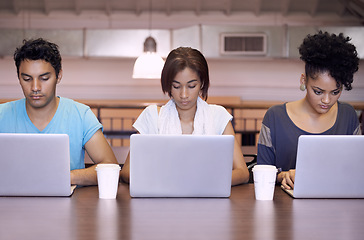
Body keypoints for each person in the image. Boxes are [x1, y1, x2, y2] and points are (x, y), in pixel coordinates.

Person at [120, 47, 250, 186]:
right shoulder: (151, 117)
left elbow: (242, 172)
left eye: (191, 86)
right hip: (160, 200)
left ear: (202, 84)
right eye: (176, 86)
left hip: (209, 199)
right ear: (168, 86)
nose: (184, 95)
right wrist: (165, 181)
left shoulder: (218, 116)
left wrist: (204, 182)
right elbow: (127, 172)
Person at [0, 38, 118, 186]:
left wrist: (67, 177)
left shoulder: (80, 115)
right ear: (19, 78)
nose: (35, 87)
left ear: (59, 76)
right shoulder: (2, 115)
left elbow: (110, 167)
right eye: (27, 79)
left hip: (68, 205)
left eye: (44, 78)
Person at [257, 31, 361, 190]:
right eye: (318, 91)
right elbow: (262, 170)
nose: (327, 100)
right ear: (303, 80)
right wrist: (284, 175)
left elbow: (357, 169)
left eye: (335, 92)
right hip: (286, 206)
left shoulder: (348, 115)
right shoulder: (275, 117)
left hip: (338, 206)